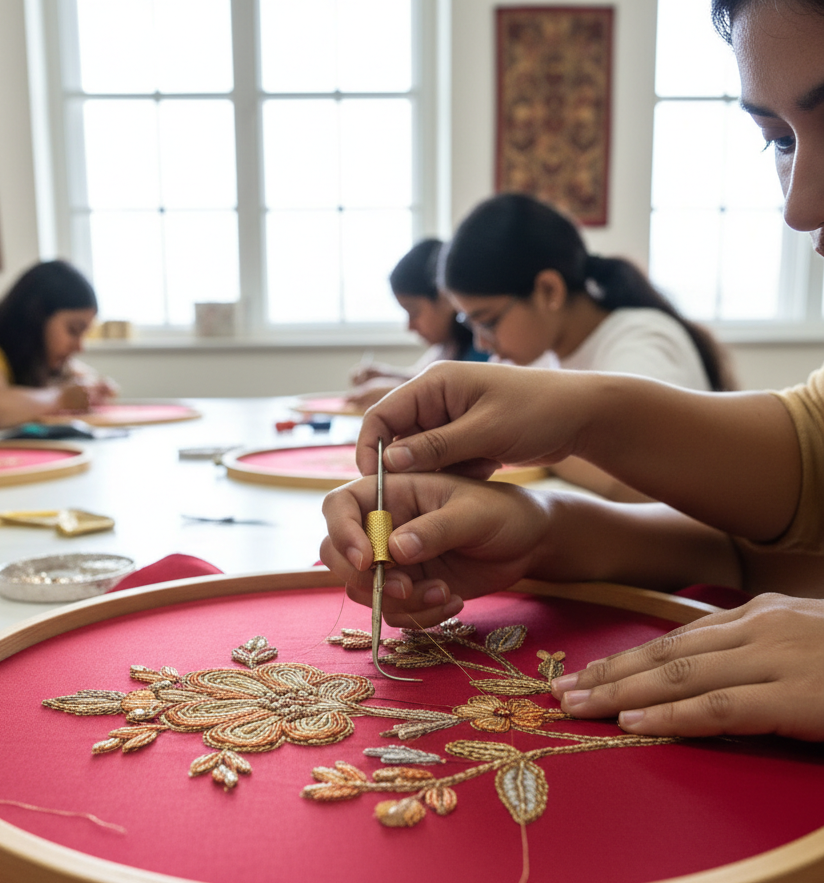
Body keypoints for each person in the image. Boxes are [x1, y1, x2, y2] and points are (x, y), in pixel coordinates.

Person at [320, 0, 824, 743]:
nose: (801, 207)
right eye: (776, 140)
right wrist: (541, 529)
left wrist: (579, 431)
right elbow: (794, 494)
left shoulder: (636, 334)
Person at [439, 193, 737, 500]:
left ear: (548, 291)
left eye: (486, 321)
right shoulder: (541, 355)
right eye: (469, 324)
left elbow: (654, 486)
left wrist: (527, 440)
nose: (480, 341)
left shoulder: (642, 344)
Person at [0, 261, 118, 429]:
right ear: (37, 317)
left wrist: (94, 389)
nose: (79, 347)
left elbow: (85, 380)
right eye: (73, 330)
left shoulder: (46, 361)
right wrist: (62, 398)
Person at [346, 239, 486, 412]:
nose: (410, 326)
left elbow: (465, 400)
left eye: (413, 312)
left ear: (446, 299)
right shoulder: (447, 347)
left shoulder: (483, 350)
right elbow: (426, 379)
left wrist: (398, 393)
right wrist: (389, 375)